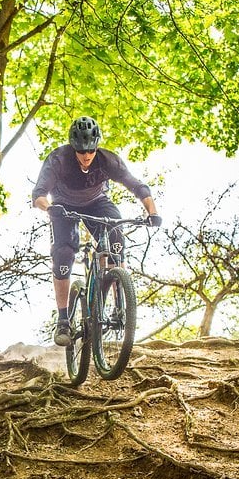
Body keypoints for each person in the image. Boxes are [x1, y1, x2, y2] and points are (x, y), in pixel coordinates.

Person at [32, 116, 161, 346]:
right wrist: (50, 208)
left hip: (97, 202)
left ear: (97, 145)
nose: (86, 156)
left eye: (90, 150)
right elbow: (38, 195)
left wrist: (152, 212)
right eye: (81, 151)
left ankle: (116, 302)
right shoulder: (58, 159)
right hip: (63, 206)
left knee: (116, 238)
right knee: (63, 254)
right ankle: (63, 320)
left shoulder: (107, 160)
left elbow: (137, 185)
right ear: (73, 147)